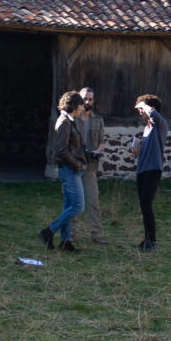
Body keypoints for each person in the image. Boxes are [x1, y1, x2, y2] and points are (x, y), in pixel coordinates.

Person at [40, 92, 89, 252]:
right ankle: (48, 231)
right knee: (78, 206)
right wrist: (77, 165)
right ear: (74, 105)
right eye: (81, 104)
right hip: (69, 170)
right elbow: (61, 150)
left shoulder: (69, 121)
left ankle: (65, 242)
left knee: (68, 205)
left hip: (72, 169)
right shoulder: (64, 122)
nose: (83, 107)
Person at [132, 92, 167, 251]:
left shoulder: (160, 125)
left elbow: (154, 115)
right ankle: (146, 238)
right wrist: (136, 150)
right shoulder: (146, 129)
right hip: (142, 170)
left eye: (142, 109)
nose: (140, 112)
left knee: (146, 204)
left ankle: (151, 241)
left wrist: (143, 104)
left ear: (151, 108)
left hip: (153, 169)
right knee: (143, 205)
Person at [76, 86, 106, 244]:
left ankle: (97, 236)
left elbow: (101, 141)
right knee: (74, 202)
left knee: (93, 201)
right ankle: (70, 235)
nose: (87, 101)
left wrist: (97, 150)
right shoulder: (72, 119)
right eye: (84, 98)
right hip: (74, 165)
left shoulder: (98, 120)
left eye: (90, 99)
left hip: (90, 166)